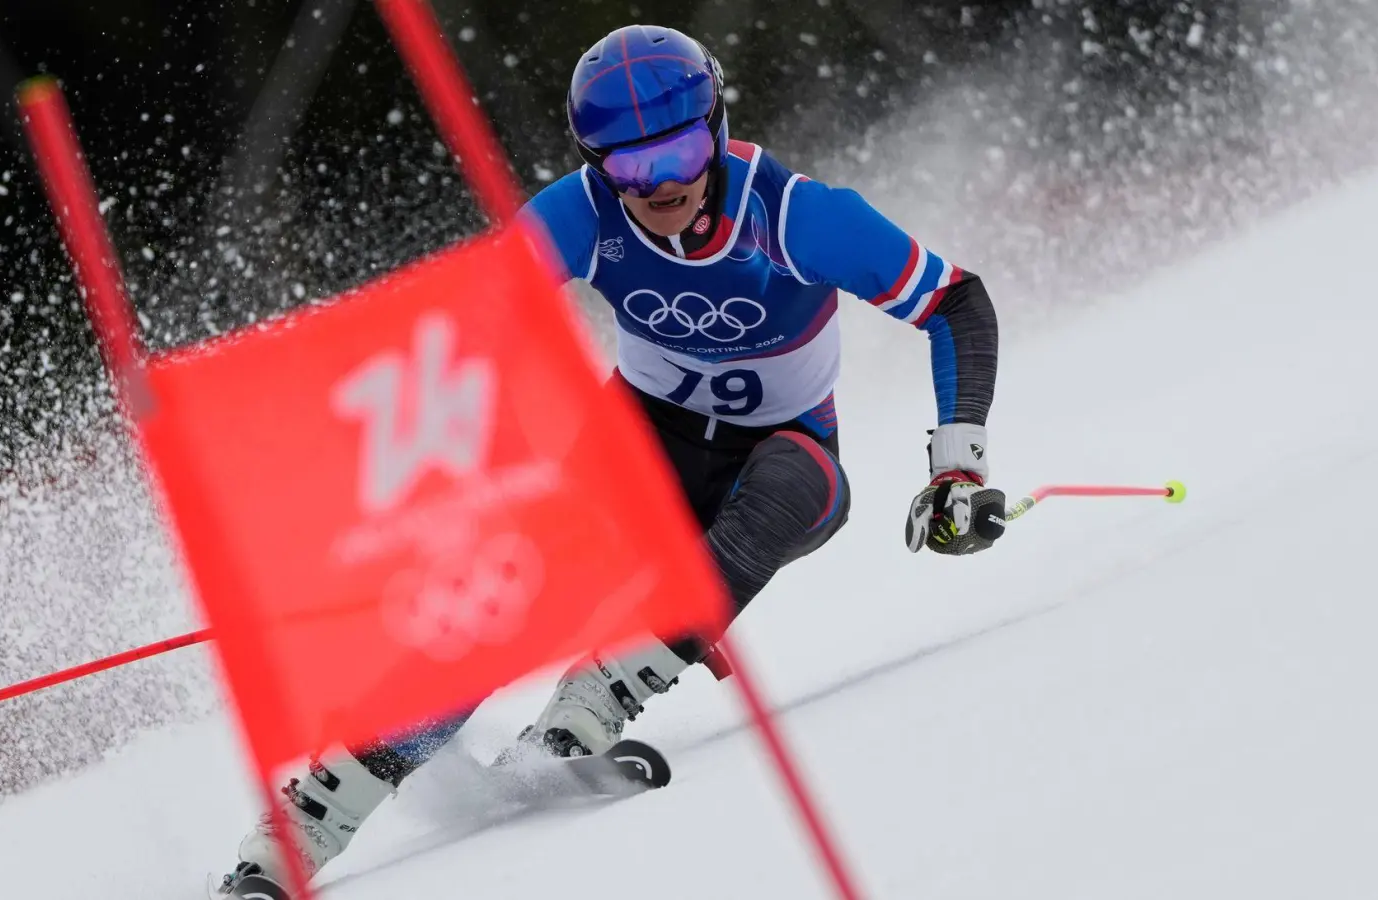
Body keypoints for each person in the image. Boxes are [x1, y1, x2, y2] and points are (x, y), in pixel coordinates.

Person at [217, 23, 1003, 898]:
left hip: (782, 456)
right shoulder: (577, 215)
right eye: (628, 167)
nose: (658, 184)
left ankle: (592, 703)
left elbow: (956, 303)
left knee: (798, 485)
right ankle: (298, 831)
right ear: (596, 162)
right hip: (633, 447)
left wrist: (958, 465)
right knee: (507, 604)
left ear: (713, 129)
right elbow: (473, 337)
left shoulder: (795, 215)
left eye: (674, 153)